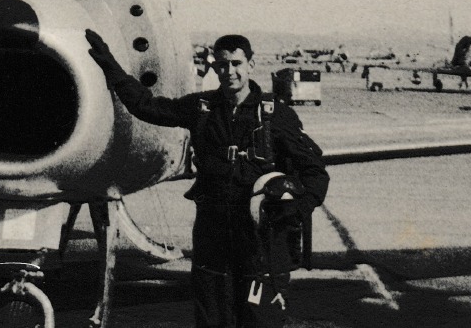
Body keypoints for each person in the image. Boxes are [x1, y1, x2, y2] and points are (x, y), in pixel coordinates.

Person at [86, 30, 329, 328]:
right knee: (211, 320)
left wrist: (297, 208)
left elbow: (315, 172)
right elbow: (146, 106)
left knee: (259, 319)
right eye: (223, 65)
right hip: (213, 237)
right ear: (215, 68)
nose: (230, 72)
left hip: (259, 243)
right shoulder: (201, 108)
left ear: (251, 65)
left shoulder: (274, 115)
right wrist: (110, 66)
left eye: (237, 64)